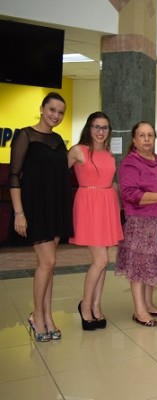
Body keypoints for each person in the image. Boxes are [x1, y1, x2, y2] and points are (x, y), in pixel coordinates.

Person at [9, 92, 73, 342]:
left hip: (55, 206)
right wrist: (19, 213)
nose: (55, 116)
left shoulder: (58, 140)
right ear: (42, 108)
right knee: (47, 263)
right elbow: (14, 176)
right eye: (52, 110)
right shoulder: (25, 135)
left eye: (60, 112)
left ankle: (47, 315)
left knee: (49, 264)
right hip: (35, 207)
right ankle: (37, 315)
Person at [68, 112, 124, 331]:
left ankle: (97, 306)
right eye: (96, 127)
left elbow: (112, 181)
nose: (101, 131)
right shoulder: (77, 151)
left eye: (105, 128)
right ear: (88, 128)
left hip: (107, 204)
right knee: (100, 260)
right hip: (88, 205)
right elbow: (55, 174)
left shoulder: (109, 154)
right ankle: (85, 305)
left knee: (104, 261)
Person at [116, 121, 157, 327]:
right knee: (139, 267)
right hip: (139, 222)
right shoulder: (131, 163)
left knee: (152, 264)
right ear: (134, 139)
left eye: (150, 135)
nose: (147, 139)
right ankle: (139, 310)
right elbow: (129, 194)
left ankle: (149, 304)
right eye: (142, 135)